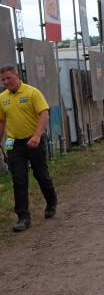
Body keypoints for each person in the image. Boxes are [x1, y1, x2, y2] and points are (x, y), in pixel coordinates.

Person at [0, 65, 57, 231]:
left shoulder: (32, 92)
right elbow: (2, 121)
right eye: (3, 80)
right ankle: (23, 217)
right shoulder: (2, 98)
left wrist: (37, 135)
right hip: (13, 143)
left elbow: (44, 114)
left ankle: (51, 202)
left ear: (17, 76)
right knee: (18, 179)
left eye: (8, 78)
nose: (6, 82)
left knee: (41, 174)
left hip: (34, 140)